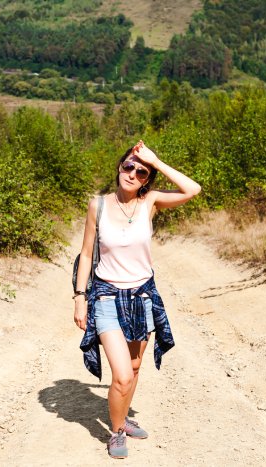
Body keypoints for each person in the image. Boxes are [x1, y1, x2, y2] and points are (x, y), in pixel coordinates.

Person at [73, 140, 201, 459]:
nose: (132, 173)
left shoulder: (151, 202)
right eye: (128, 166)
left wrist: (155, 161)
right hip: (105, 296)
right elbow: (87, 254)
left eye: (141, 171)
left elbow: (192, 189)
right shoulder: (98, 205)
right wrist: (79, 297)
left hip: (142, 295)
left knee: (134, 365)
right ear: (119, 167)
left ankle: (123, 415)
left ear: (147, 179)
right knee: (122, 374)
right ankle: (116, 432)